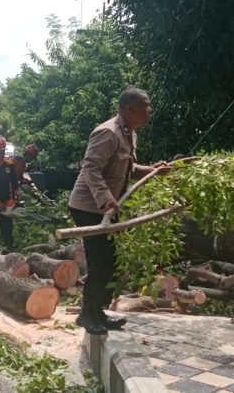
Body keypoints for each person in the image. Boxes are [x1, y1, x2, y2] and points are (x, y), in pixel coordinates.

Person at [68, 87, 169, 335]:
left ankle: (96, 312)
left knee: (110, 261)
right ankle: (87, 314)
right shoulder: (108, 133)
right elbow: (90, 168)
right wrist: (105, 199)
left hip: (107, 208)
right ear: (129, 109)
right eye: (145, 106)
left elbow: (128, 168)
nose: (149, 110)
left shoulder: (129, 134)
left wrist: (152, 170)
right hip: (89, 207)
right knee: (101, 262)